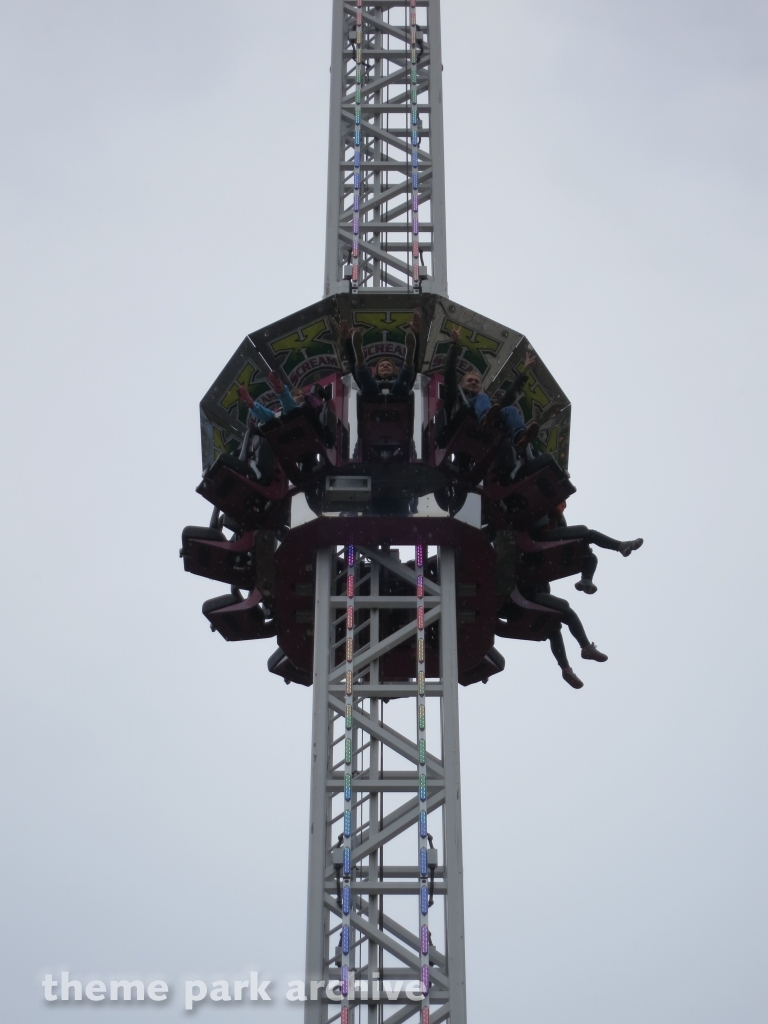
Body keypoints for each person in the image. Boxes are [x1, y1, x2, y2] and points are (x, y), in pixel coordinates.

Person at [443, 329, 539, 449]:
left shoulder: (486, 403)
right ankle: (485, 420)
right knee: (483, 398)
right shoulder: (455, 396)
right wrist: (454, 345)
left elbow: (508, 397)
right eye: (469, 380)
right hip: (459, 420)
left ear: (481, 386)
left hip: (488, 423)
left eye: (476, 381)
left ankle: (521, 437)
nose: (473, 382)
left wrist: (524, 372)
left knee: (510, 409)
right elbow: (449, 373)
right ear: (462, 385)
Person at [530, 501, 643, 594]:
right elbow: (540, 526)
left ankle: (586, 581)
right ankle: (620, 545)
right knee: (588, 533)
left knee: (590, 558)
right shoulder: (541, 507)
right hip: (541, 538)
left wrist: (582, 548)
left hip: (552, 542)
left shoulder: (558, 518)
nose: (564, 506)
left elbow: (564, 531)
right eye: (562, 502)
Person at [519, 581, 608, 689]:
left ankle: (566, 669)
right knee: (566, 611)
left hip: (524, 607)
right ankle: (585, 647)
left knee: (553, 630)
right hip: (527, 599)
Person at [330, 312, 420, 397]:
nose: (385, 366)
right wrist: (349, 341)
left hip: (399, 395)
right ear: (376, 371)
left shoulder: (401, 379)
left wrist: (415, 336)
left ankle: (408, 359)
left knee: (403, 381)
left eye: (388, 365)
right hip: (372, 396)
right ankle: (360, 359)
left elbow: (415, 363)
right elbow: (353, 367)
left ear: (394, 370)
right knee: (366, 381)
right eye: (382, 365)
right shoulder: (372, 380)